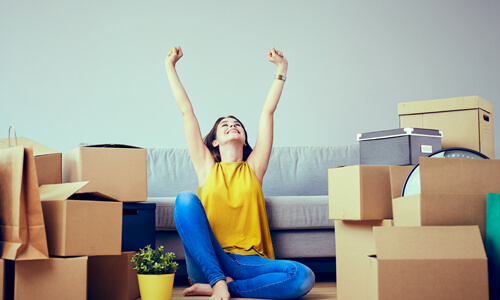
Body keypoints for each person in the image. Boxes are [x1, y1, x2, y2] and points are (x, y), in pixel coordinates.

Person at [164, 45, 315, 300]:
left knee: (302, 276)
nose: (232, 126)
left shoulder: (255, 168)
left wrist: (282, 69)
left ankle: (225, 287)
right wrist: (170, 67)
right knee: (185, 200)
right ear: (214, 141)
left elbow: (267, 112)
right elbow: (186, 111)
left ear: (245, 140)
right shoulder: (206, 166)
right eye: (225, 125)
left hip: (248, 263)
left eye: (237, 125)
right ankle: (216, 280)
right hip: (210, 258)